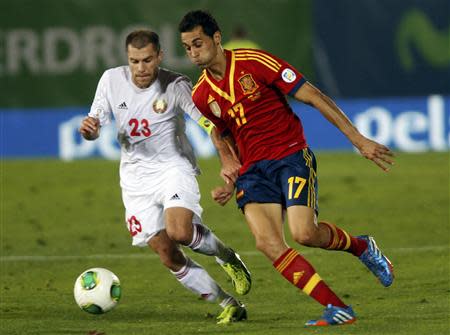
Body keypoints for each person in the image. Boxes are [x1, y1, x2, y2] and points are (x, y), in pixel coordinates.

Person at [178, 10, 395, 327]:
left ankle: (362, 246)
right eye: (187, 48)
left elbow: (314, 97)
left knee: (305, 234)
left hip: (290, 155)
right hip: (253, 172)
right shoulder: (201, 93)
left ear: (216, 38)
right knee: (266, 243)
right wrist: (229, 163)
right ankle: (338, 309)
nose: (194, 53)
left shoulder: (256, 62)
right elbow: (219, 130)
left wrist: (359, 140)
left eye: (198, 43)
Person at [78, 29, 251, 325]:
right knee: (168, 254)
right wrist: (91, 131)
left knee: (181, 232)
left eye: (147, 60)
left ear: (159, 56)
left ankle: (227, 257)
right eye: (134, 61)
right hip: (134, 180)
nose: (141, 68)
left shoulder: (176, 85)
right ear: (127, 59)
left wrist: (225, 159)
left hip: (173, 167)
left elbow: (210, 124)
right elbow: (96, 125)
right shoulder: (110, 80)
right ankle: (229, 303)